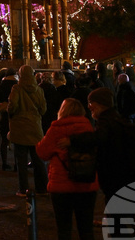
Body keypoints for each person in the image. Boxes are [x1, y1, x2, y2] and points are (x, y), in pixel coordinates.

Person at [36, 98, 97, 240]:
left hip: (61, 184)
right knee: (86, 228)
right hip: (86, 182)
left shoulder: (56, 129)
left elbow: (42, 152)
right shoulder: (87, 126)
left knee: (64, 228)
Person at [87, 87, 135, 202]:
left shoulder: (106, 121)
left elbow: (99, 138)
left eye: (91, 103)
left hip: (116, 174)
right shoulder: (115, 118)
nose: (89, 106)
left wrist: (73, 139)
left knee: (117, 209)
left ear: (100, 103)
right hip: (127, 173)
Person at [8, 65, 48, 196]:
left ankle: (23, 189)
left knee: (21, 161)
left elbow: (13, 106)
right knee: (38, 160)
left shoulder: (17, 88)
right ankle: (42, 187)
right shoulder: (39, 90)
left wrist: (10, 111)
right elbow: (43, 110)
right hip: (35, 128)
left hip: (19, 128)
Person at [0, 68, 19, 171]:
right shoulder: (17, 85)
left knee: (4, 139)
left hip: (3, 115)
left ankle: (4, 162)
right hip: (16, 115)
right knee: (16, 140)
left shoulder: (1, 86)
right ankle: (17, 164)